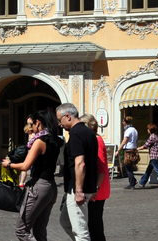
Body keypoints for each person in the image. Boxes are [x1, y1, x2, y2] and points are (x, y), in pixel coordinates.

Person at [3, 110, 60, 241]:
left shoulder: (39, 141)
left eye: (32, 125)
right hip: (51, 187)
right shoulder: (54, 140)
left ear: (38, 123)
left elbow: (25, 166)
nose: (32, 128)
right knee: (40, 230)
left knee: (21, 230)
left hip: (39, 186)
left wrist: (9, 165)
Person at [56, 102, 98, 241]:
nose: (59, 124)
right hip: (83, 186)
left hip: (78, 187)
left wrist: (79, 190)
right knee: (66, 222)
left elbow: (80, 163)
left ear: (67, 116)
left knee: (81, 232)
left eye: (59, 120)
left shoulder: (76, 134)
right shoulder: (89, 133)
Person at [79, 113, 110, 241]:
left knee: (95, 226)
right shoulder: (93, 139)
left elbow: (101, 169)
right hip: (96, 189)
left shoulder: (96, 140)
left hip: (97, 190)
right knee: (93, 225)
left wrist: (95, 188)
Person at [136, 123, 158, 189]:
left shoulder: (152, 137)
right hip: (156, 155)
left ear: (150, 130)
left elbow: (146, 145)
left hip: (154, 156)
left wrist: (138, 149)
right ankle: (142, 182)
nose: (147, 130)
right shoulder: (157, 136)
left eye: (148, 129)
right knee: (149, 170)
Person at [119, 116, 138, 189]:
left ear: (125, 122)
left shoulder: (128, 130)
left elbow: (124, 141)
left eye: (123, 122)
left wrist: (118, 150)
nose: (122, 123)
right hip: (133, 149)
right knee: (128, 166)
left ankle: (132, 183)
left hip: (128, 150)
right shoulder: (135, 130)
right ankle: (133, 180)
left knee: (126, 166)